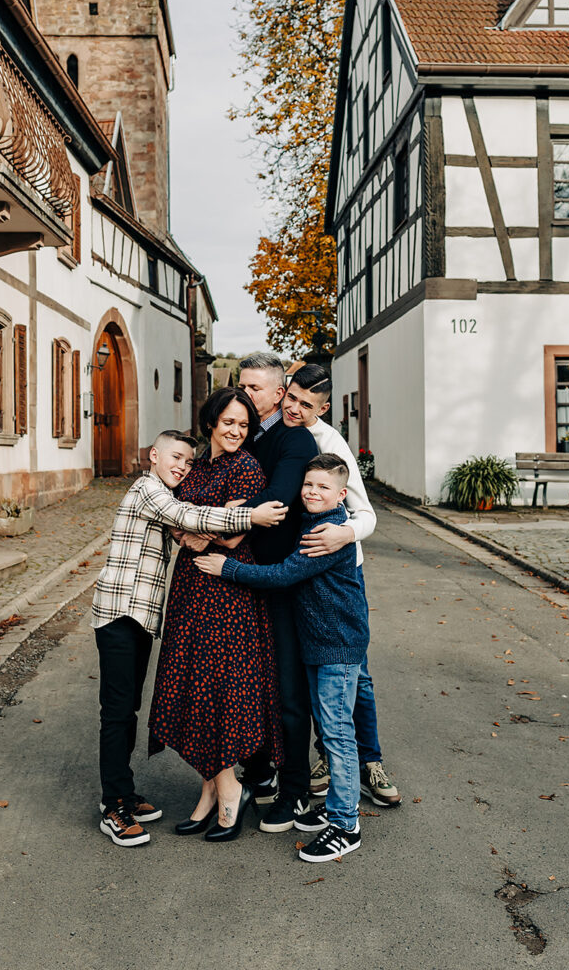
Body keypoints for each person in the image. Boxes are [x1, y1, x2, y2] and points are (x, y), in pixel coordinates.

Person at [92, 428, 287, 847]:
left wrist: (206, 522)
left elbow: (189, 523)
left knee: (127, 710)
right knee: (117, 711)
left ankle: (124, 792)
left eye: (187, 460)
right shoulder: (149, 490)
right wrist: (249, 514)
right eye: (174, 458)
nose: (181, 466)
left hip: (140, 616)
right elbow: (188, 519)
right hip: (120, 612)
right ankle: (113, 807)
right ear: (153, 456)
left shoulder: (168, 494)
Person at [195, 454, 368, 863]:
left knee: (338, 733)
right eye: (308, 484)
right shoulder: (310, 520)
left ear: (341, 494)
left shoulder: (329, 531)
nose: (312, 491)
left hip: (337, 647)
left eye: (323, 487)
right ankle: (338, 807)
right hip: (319, 644)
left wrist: (227, 568)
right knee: (329, 729)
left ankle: (346, 824)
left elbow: (282, 576)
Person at [147, 389, 285, 843]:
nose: (235, 431)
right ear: (211, 422)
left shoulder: (246, 467)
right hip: (191, 587)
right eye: (228, 422)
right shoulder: (198, 466)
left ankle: (230, 792)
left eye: (243, 425)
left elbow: (228, 538)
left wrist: (206, 529)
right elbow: (174, 519)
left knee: (219, 688)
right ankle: (210, 792)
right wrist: (205, 526)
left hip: (226, 594)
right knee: (195, 684)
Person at [282, 364, 400, 809]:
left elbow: (366, 515)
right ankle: (326, 757)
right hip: (298, 566)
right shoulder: (275, 427)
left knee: (356, 674)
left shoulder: (332, 446)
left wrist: (344, 534)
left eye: (306, 405)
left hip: (338, 570)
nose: (294, 408)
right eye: (291, 397)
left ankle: (369, 762)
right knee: (312, 666)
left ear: (323, 408)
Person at [235, 352, 318, 831]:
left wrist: (214, 522)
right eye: (240, 386)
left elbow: (278, 499)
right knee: (249, 681)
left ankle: (296, 791)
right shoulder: (240, 434)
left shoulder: (294, 438)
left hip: (283, 579)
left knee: (287, 689)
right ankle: (259, 770)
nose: (245, 395)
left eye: (254, 389)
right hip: (242, 576)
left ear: (278, 393)